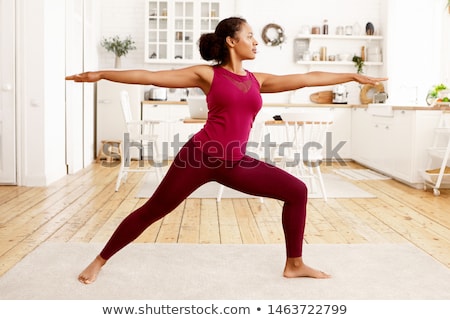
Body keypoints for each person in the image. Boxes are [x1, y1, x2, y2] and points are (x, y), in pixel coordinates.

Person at [66, 17, 387, 284]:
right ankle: (99, 260)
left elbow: (305, 78)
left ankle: (294, 264)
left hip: (235, 162)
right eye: (249, 36)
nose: (255, 41)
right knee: (154, 210)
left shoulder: (257, 80)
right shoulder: (207, 74)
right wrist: (102, 74)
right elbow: (150, 76)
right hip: (198, 157)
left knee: (297, 191)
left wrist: (352, 75)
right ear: (232, 42)